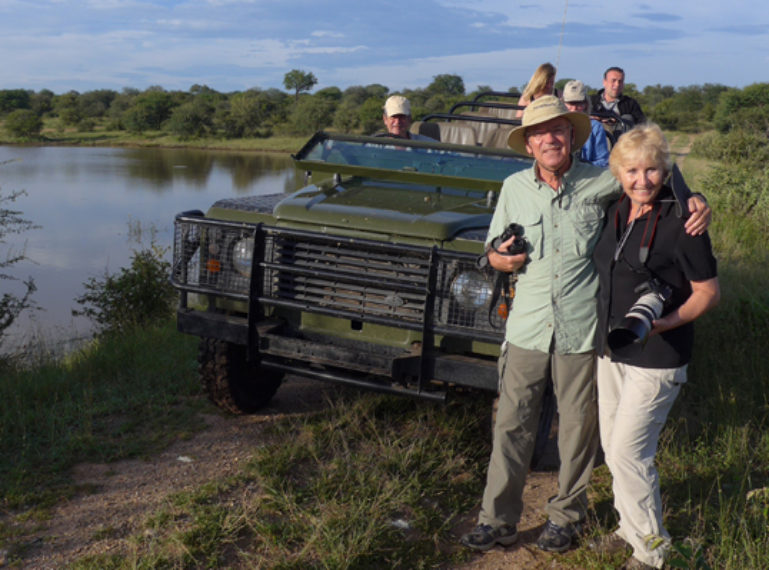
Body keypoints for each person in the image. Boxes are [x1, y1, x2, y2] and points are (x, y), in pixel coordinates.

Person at [459, 96, 711, 554]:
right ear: (529, 145)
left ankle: (565, 518)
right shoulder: (513, 187)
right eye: (539, 134)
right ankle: (497, 519)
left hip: (581, 329)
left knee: (577, 430)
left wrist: (695, 196)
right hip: (527, 329)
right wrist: (497, 257)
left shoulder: (602, 181)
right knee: (512, 425)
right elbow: (491, 252)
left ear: (573, 136)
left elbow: (649, 172)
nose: (550, 139)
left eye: (558, 130)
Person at [591, 123, 720, 569]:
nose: (641, 180)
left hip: (658, 356)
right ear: (617, 172)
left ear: (665, 171)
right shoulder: (613, 209)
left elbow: (707, 291)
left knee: (630, 453)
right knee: (612, 448)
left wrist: (664, 322)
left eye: (651, 170)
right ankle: (628, 529)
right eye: (631, 170)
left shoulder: (684, 220)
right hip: (613, 349)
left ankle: (652, 552)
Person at [562, 79, 610, 167]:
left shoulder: (595, 127)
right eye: (570, 103)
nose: (574, 108)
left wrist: (584, 166)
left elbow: (603, 161)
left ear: (586, 104)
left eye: (578, 104)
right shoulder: (555, 127)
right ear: (563, 103)